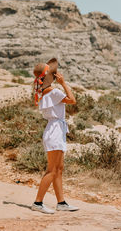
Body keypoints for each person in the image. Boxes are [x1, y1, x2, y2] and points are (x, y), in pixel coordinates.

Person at [31, 58, 79, 214]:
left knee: (58, 169)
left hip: (54, 129)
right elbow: (72, 100)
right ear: (49, 77)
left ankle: (61, 203)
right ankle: (38, 203)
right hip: (55, 131)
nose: (56, 74)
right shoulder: (54, 91)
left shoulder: (43, 91)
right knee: (52, 170)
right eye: (53, 73)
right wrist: (64, 83)